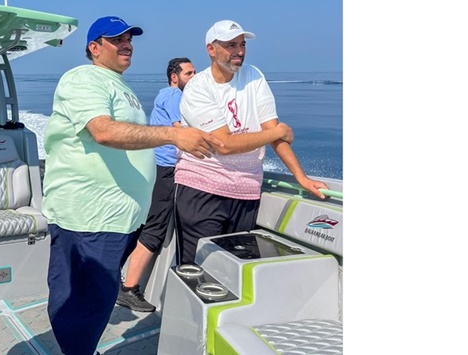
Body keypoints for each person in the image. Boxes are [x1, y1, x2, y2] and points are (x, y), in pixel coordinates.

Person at [41, 16, 223, 355]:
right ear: (94, 48)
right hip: (87, 217)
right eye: (116, 39)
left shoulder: (116, 84)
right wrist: (173, 134)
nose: (127, 44)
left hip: (116, 219)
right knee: (81, 300)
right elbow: (104, 131)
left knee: (96, 298)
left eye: (129, 38)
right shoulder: (84, 78)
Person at [175, 20, 329, 265]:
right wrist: (277, 132)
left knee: (233, 270)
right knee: (198, 271)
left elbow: (271, 128)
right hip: (202, 188)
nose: (239, 51)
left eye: (242, 44)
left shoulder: (253, 76)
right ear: (211, 49)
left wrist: (301, 177)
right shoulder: (197, 88)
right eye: (230, 45)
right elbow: (224, 144)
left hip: (246, 190)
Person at [116, 58, 196, 313]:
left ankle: (114, 276)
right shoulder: (174, 95)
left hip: (156, 166)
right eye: (189, 73)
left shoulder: (168, 94)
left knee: (143, 224)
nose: (195, 77)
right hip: (164, 169)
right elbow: (182, 130)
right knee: (154, 229)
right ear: (175, 77)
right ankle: (129, 290)